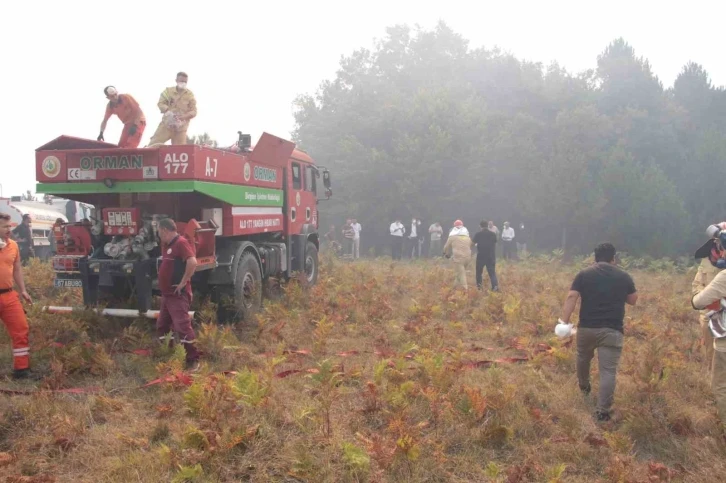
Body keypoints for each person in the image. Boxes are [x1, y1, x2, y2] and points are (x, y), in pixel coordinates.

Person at [559, 242, 637, 422]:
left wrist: (565, 321)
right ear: (613, 258)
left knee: (582, 358)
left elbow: (572, 296)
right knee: (608, 371)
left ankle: (584, 386)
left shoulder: (584, 274)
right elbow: (633, 300)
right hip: (612, 330)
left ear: (594, 257)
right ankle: (603, 411)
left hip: (586, 328)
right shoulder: (623, 276)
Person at [691, 223, 726, 433]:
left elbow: (696, 301)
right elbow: (697, 286)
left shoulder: (723, 275)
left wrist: (715, 300)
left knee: (720, 385)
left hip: (723, 335)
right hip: (710, 320)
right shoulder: (706, 262)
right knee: (710, 359)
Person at [156, 218, 200, 371]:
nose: (158, 235)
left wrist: (183, 282)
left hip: (177, 295)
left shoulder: (181, 242)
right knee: (162, 326)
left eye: (158, 231)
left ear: (164, 230)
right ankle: (171, 356)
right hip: (167, 295)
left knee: (182, 328)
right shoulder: (167, 245)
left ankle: (193, 360)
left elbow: (193, 262)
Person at [0, 213, 36, 379]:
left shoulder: (13, 245)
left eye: (9, 226)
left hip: (8, 296)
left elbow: (17, 269)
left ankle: (21, 370)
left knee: (21, 330)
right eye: (5, 226)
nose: (9, 229)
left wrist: (23, 290)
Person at [148, 72, 197, 146]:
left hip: (180, 129)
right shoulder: (168, 91)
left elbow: (194, 111)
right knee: (152, 146)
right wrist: (168, 110)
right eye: (181, 81)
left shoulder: (190, 95)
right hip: (166, 125)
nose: (183, 83)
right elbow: (160, 103)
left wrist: (184, 117)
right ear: (176, 80)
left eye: (185, 82)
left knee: (180, 152)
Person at [443, 220, 472, 290]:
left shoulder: (452, 237)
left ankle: (466, 290)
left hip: (458, 258)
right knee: (459, 273)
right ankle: (454, 288)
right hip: (468, 258)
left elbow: (446, 247)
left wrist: (446, 254)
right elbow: (471, 245)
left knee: (461, 274)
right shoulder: (467, 237)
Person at [472, 221, 499, 291]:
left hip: (481, 256)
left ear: (480, 226)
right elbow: (495, 243)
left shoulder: (478, 234)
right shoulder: (493, 234)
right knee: (492, 273)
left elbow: (472, 243)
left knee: (479, 273)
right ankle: (495, 287)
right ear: (487, 226)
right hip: (491, 256)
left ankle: (479, 288)